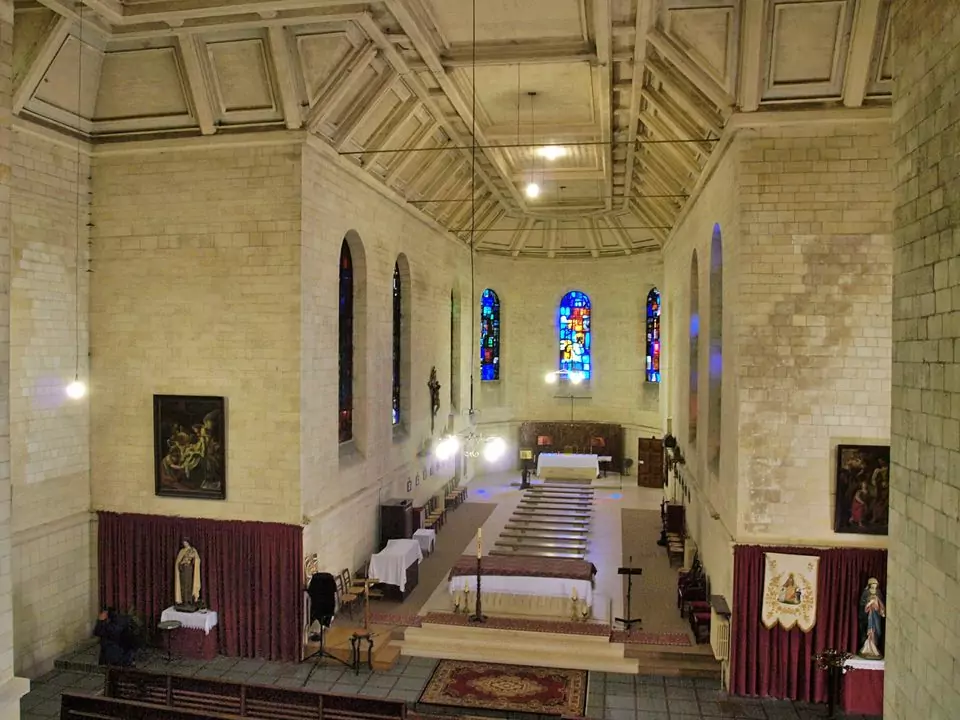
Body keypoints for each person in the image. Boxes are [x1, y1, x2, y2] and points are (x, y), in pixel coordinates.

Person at [858, 577, 886, 659]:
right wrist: (869, 602)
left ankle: (874, 648)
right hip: (868, 616)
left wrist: (881, 610)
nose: (874, 589)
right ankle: (867, 649)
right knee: (869, 632)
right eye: (872, 587)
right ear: (869, 586)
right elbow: (862, 604)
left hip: (876, 616)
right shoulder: (866, 593)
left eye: (875, 587)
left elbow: (881, 604)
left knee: (877, 631)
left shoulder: (878, 593)